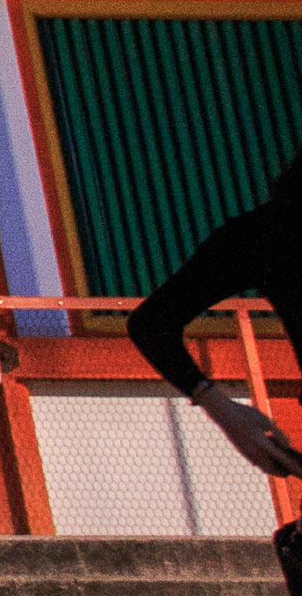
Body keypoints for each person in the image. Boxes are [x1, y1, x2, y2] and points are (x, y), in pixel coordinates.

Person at [126, 140, 302, 482]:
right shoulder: (270, 234)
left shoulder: (266, 233)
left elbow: (152, 323)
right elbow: (152, 323)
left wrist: (220, 408)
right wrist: (220, 408)